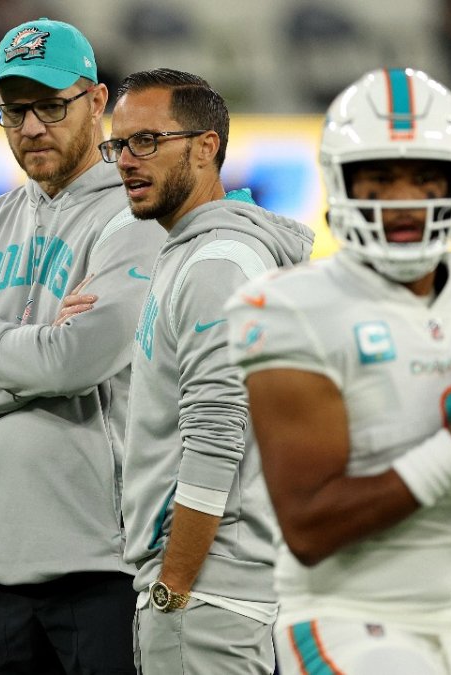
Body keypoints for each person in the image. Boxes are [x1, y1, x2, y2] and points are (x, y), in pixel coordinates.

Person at [225, 67, 451, 674]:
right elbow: (309, 530)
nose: (403, 199)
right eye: (380, 177)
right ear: (342, 182)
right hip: (343, 618)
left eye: (425, 177)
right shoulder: (288, 307)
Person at [0, 18, 166, 675]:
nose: (30, 127)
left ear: (98, 102)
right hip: (1, 555)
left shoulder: (135, 214)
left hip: (103, 555)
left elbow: (83, 356)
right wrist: (46, 349)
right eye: (14, 110)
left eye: (51, 105)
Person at [105, 68, 313, 674]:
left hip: (208, 595)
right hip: (222, 590)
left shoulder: (217, 263)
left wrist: (173, 586)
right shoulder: (203, 254)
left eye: (147, 141)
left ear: (206, 146)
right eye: (118, 145)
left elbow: (218, 433)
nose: (125, 161)